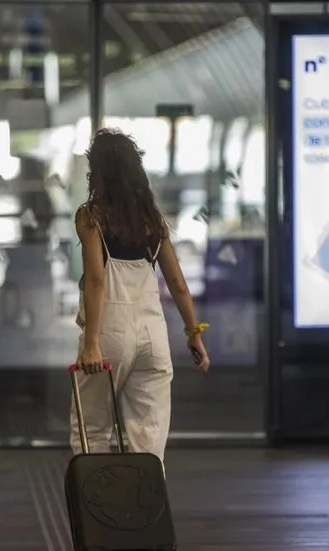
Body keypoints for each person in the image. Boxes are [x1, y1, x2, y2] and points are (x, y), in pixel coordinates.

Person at [72, 128, 210, 464]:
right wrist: (194, 335)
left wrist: (92, 343)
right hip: (153, 334)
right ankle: (145, 512)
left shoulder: (91, 216)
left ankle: (99, 512)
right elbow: (178, 285)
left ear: (98, 171)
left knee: (91, 431)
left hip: (110, 332)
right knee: (149, 439)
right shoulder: (153, 221)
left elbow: (96, 279)